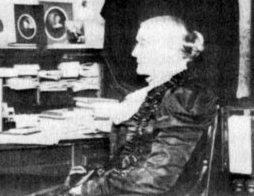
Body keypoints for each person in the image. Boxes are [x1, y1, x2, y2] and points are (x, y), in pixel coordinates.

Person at [65, 15, 217, 195]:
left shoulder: (184, 97)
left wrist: (88, 189)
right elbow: (135, 158)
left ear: (167, 49)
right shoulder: (161, 91)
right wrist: (91, 175)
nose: (134, 52)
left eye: (142, 43)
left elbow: (155, 179)